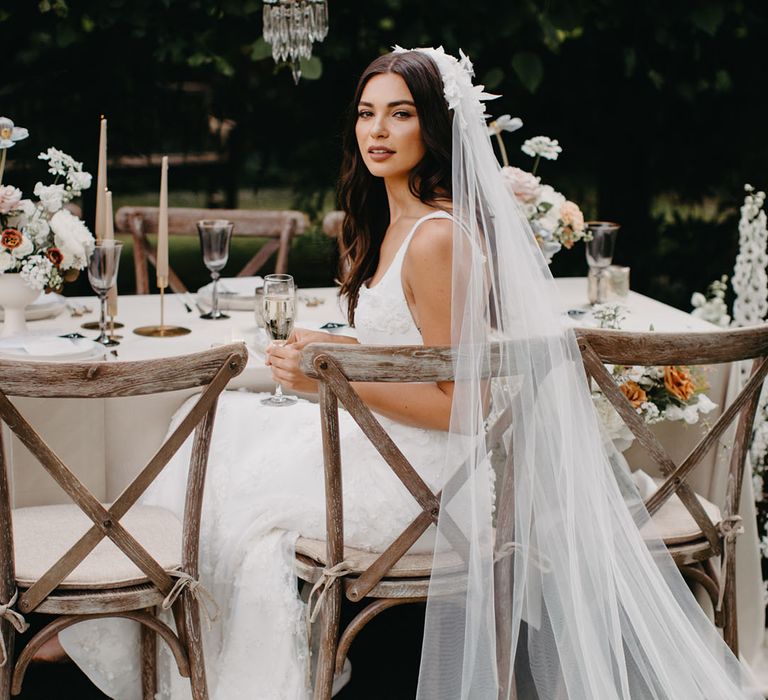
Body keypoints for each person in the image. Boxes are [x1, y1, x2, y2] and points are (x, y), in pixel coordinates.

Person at [59, 47, 761, 699]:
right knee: (206, 433)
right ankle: (147, 641)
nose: (379, 130)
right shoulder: (394, 223)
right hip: (391, 445)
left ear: (434, 128)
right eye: (368, 113)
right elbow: (415, 351)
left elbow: (464, 402)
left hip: (430, 480)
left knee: (233, 494)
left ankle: (170, 655)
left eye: (401, 113)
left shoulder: (436, 238)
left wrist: (332, 380)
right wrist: (334, 358)